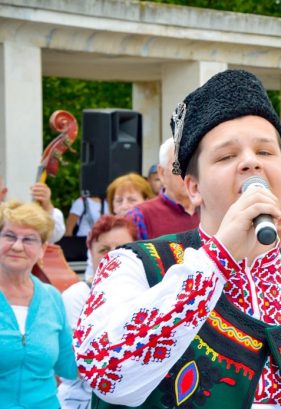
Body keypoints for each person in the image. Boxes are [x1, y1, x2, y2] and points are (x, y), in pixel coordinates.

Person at [73, 69, 281, 408]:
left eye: (265, 152)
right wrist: (218, 257)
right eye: (226, 156)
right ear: (194, 187)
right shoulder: (133, 266)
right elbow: (105, 373)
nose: (250, 163)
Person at [0, 200, 77, 407]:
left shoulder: (52, 297)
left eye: (29, 239)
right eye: (9, 236)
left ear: (42, 249)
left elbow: (69, 366)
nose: (17, 246)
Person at [58, 215, 138, 409]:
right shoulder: (76, 296)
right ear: (91, 254)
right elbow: (78, 364)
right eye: (103, 250)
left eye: (122, 248)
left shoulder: (148, 293)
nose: (112, 256)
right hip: (82, 401)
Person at [128, 138, 200, 240]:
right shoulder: (140, 216)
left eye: (193, 164)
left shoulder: (213, 209)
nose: (188, 173)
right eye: (180, 166)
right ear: (161, 173)